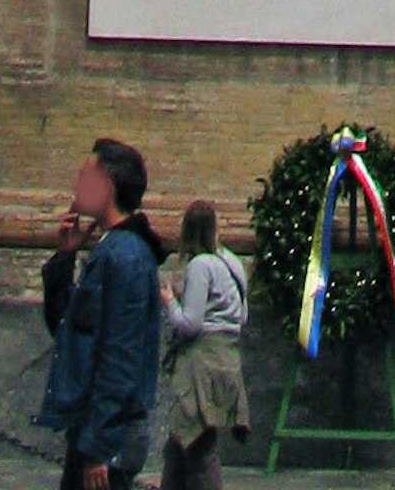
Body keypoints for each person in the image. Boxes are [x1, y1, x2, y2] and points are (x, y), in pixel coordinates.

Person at [38, 139, 162, 490]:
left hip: (109, 439)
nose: (77, 187)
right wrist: (65, 258)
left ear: (107, 187)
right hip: (93, 431)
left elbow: (120, 357)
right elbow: (68, 328)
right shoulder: (109, 250)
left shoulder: (126, 257)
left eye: (84, 177)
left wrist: (98, 447)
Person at [157, 200, 248, 490]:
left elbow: (190, 324)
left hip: (201, 365)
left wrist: (170, 302)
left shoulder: (200, 265)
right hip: (227, 360)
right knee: (180, 445)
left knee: (197, 446)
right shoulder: (232, 262)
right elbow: (242, 315)